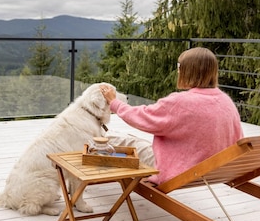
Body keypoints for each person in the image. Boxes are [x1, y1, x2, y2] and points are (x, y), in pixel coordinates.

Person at [99, 47, 243, 185]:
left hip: (179, 169)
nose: (178, 70)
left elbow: (143, 117)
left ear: (188, 71)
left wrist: (114, 102)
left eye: (179, 66)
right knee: (138, 141)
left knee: (121, 141)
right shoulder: (225, 101)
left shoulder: (180, 102)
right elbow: (238, 139)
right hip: (215, 168)